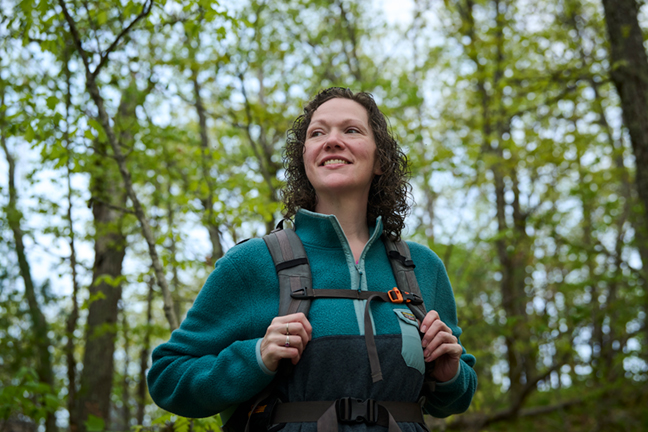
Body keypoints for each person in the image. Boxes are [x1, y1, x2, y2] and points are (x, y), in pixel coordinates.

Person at [147, 87, 477, 431]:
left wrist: (450, 374)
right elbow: (168, 377)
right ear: (305, 159)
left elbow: (456, 395)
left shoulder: (422, 268)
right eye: (317, 133)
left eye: (351, 130)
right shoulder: (251, 264)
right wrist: (256, 356)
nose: (332, 141)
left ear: (381, 160)